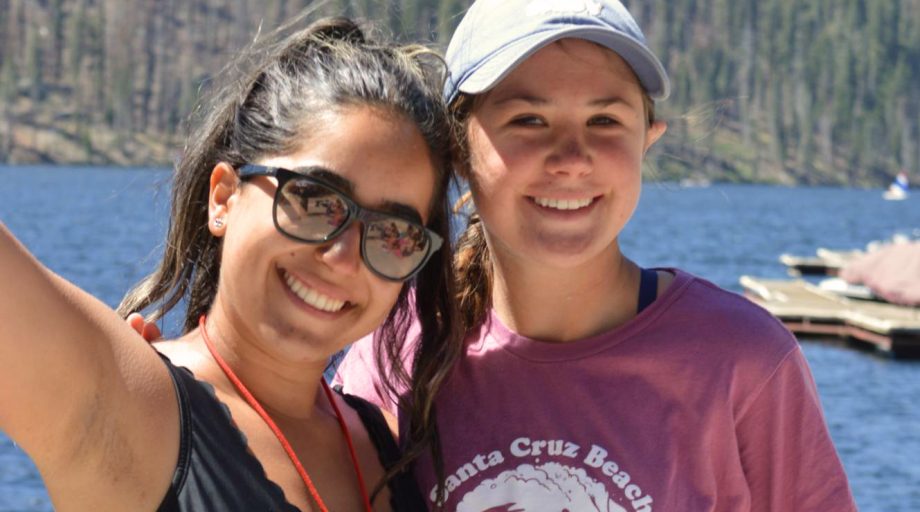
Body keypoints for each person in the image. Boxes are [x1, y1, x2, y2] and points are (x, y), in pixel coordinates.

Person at [333, 1, 859, 510]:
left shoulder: (745, 361)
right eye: (529, 120)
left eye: (604, 120)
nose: (571, 159)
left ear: (647, 141)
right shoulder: (397, 345)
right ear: (459, 151)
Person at [0, 17, 463, 511]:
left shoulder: (390, 446)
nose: (344, 258)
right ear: (222, 198)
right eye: (314, 200)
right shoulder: (133, 410)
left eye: (393, 232)